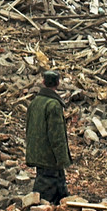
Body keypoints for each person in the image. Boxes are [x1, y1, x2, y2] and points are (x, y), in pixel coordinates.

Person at [24, 68, 71, 204]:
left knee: (56, 189)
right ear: (58, 83)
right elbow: (57, 136)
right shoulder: (53, 105)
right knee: (46, 193)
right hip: (50, 157)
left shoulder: (35, 102)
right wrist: (63, 160)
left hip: (37, 154)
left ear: (43, 82)